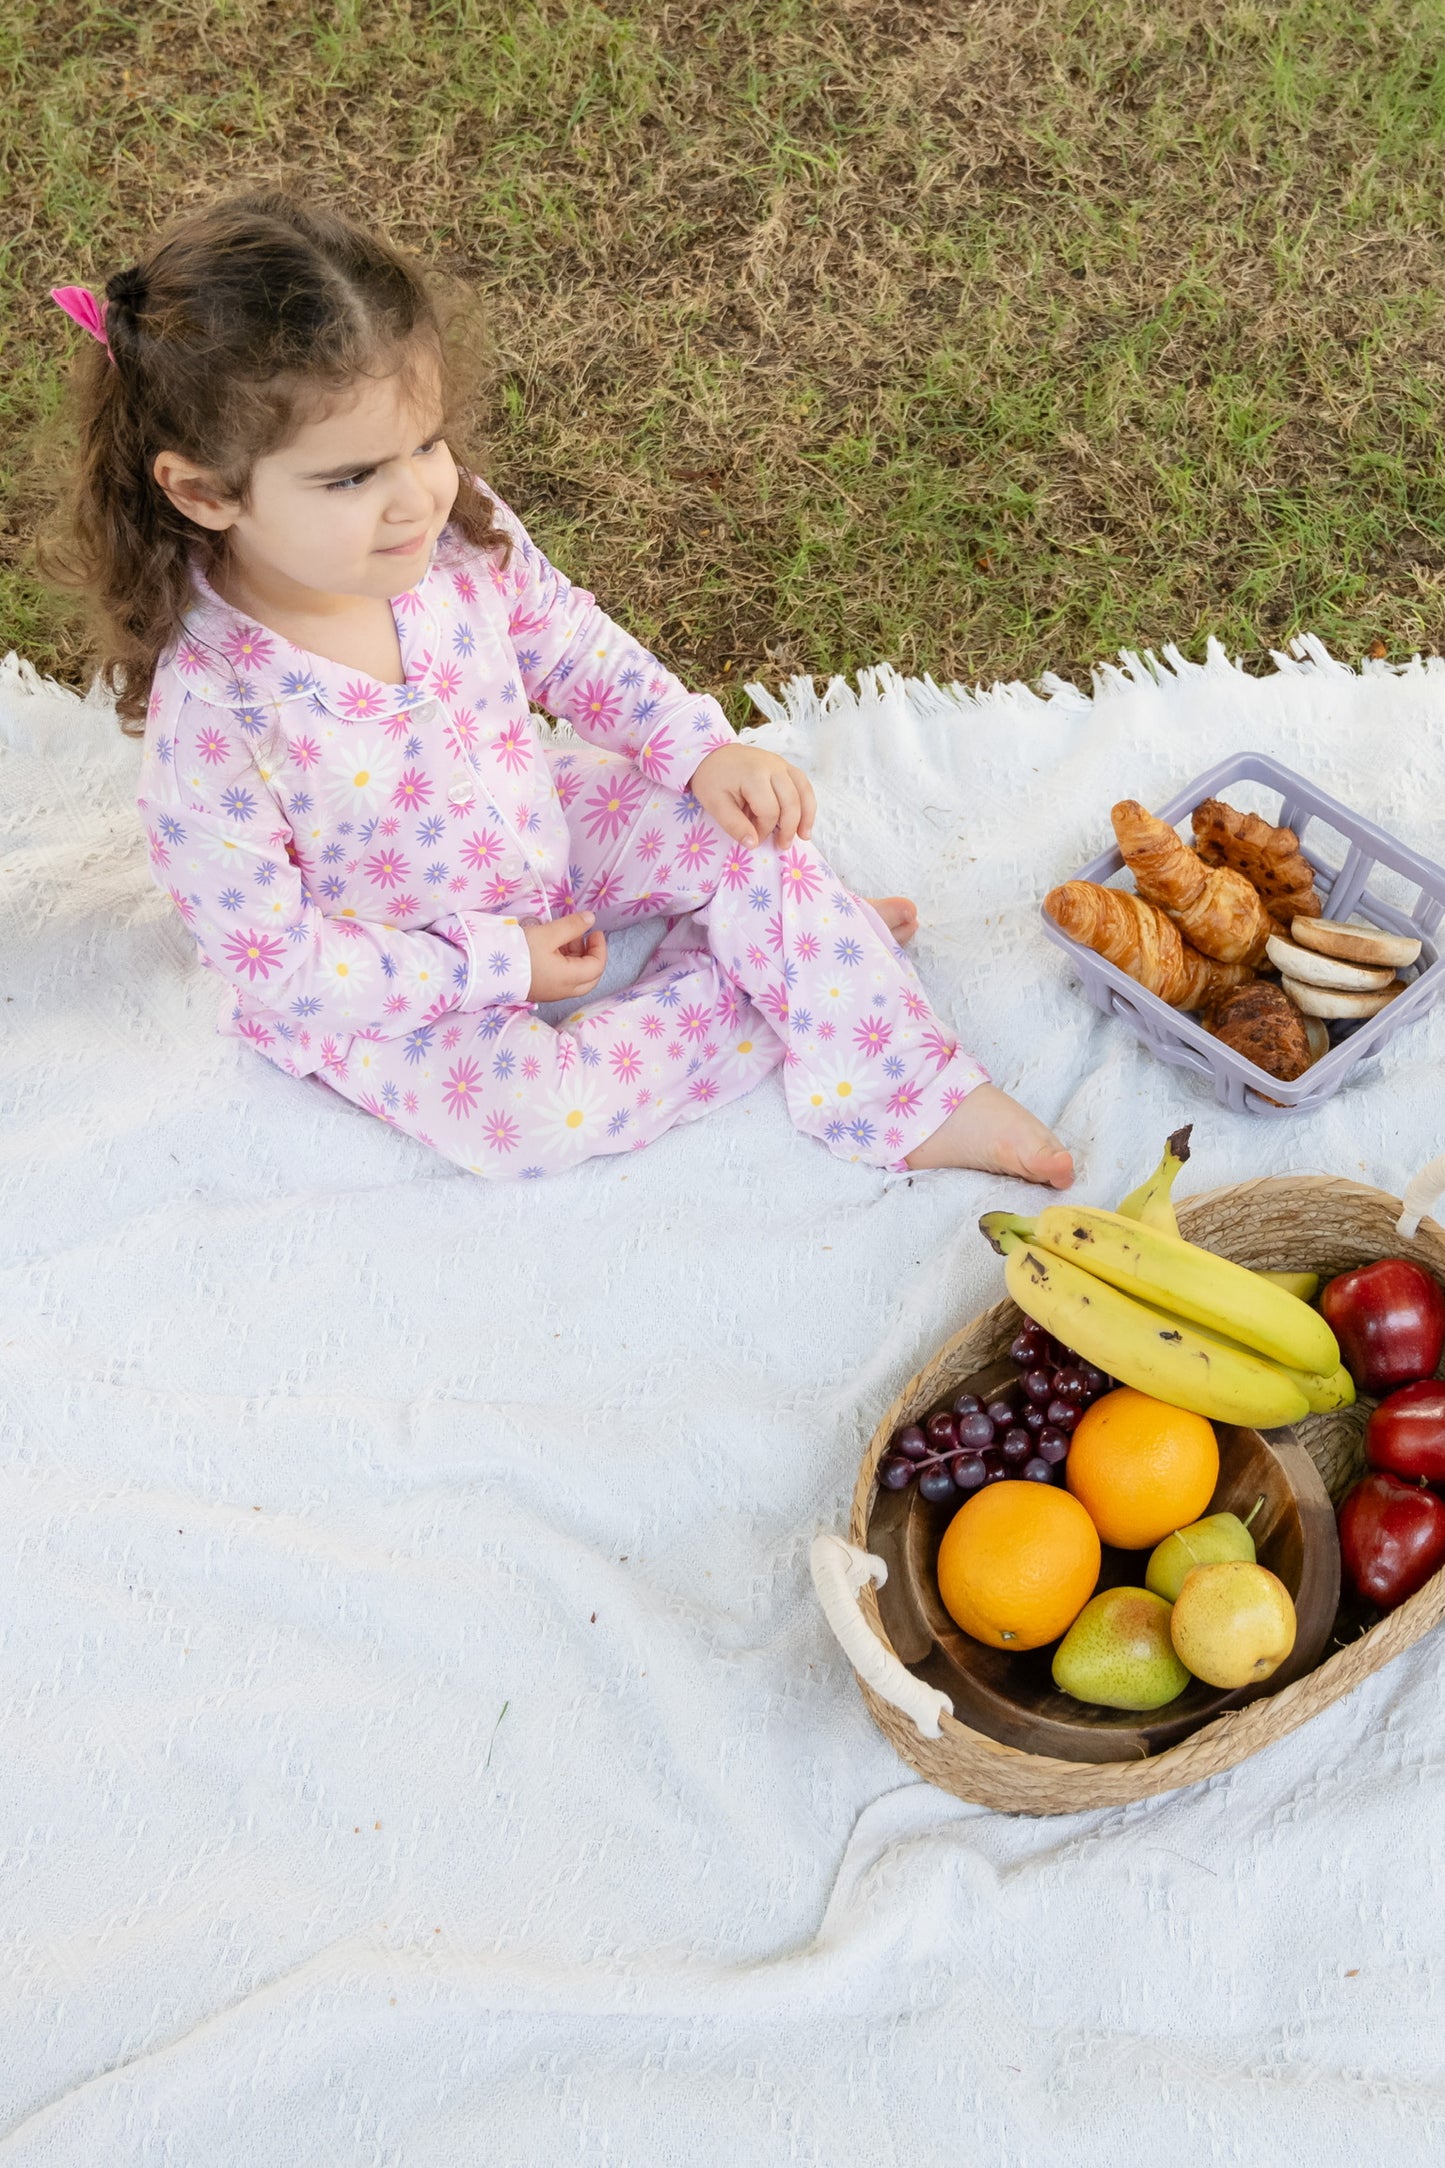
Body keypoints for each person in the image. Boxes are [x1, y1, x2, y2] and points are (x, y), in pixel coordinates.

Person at [41, 191, 1073, 1188]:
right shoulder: (218, 716)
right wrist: (499, 968)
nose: (415, 497)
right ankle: (795, 968)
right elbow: (286, 965)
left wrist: (696, 747)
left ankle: (907, 1082)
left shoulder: (448, 537)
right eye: (350, 476)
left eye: (426, 444)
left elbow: (568, 644)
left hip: (539, 827)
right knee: (533, 1117)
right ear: (205, 490)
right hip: (399, 970)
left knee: (744, 828)